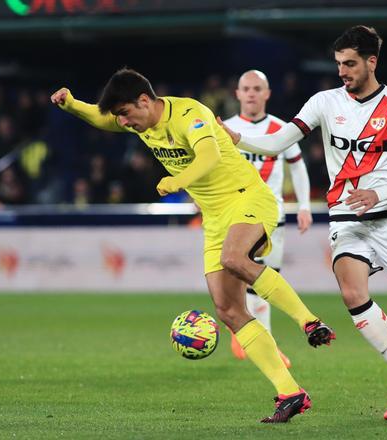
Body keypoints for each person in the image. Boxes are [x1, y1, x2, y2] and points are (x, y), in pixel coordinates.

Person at [220, 26, 387, 420]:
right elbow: (280, 142)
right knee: (352, 294)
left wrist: (379, 193)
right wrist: (237, 139)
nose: (342, 71)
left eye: (350, 64)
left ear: (371, 62)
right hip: (347, 217)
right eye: (338, 64)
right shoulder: (324, 102)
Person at [50, 68, 335, 423]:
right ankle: (290, 392)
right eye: (121, 116)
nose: (124, 122)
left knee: (234, 258)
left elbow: (210, 156)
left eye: (126, 113)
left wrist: (177, 181)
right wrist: (72, 105)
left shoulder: (190, 113)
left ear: (144, 100)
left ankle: (308, 321)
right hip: (215, 217)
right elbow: (103, 118)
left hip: (248, 198)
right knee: (228, 310)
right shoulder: (135, 121)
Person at [224, 70, 313, 368]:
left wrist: (304, 206)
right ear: (237, 94)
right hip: (237, 214)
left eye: (256, 88)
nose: (250, 93)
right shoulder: (224, 128)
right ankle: (265, 344)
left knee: (266, 279)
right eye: (245, 88)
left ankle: (244, 331)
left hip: (273, 215)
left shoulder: (281, 129)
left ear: (267, 93)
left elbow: (298, 168)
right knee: (252, 277)